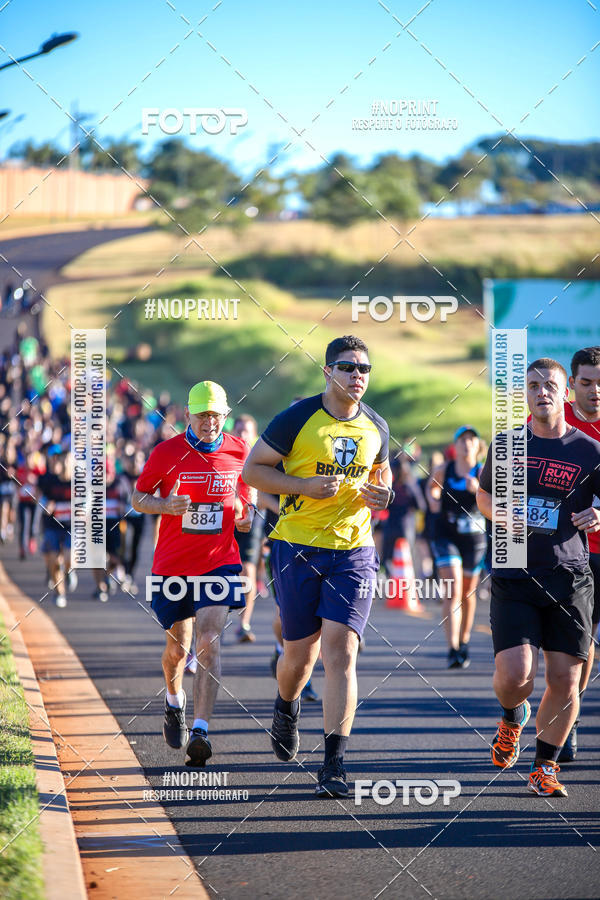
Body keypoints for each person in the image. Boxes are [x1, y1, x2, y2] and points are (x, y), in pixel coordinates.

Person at [243, 335, 391, 798]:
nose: (357, 376)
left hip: (354, 552)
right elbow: (252, 472)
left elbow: (381, 478)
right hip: (297, 546)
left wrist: (383, 495)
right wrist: (302, 485)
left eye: (364, 369)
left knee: (341, 652)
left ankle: (334, 764)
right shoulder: (297, 418)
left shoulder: (376, 426)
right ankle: (286, 704)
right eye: (347, 367)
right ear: (328, 372)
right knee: (299, 656)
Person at [477, 358, 600, 797]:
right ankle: (512, 718)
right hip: (515, 574)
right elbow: (484, 496)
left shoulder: (588, 450)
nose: (541, 391)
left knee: (567, 681)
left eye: (550, 385)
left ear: (564, 394)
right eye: (532, 386)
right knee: (516, 676)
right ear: (524, 395)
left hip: (570, 576)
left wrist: (598, 513)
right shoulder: (508, 444)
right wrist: (501, 515)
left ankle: (544, 767)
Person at [131, 381, 254, 767]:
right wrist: (166, 505)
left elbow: (246, 498)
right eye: (202, 415)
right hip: (172, 566)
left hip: (219, 561)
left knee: (209, 641)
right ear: (188, 415)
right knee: (178, 649)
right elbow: (138, 496)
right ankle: (174, 701)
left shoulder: (239, 450)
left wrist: (246, 514)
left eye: (217, 415)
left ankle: (201, 730)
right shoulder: (166, 453)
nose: (210, 422)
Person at [557, 346, 600, 761]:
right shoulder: (557, 423)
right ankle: (570, 717)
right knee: (580, 645)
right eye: (586, 382)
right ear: (571, 385)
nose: (595, 390)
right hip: (573, 555)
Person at [426, 426, 486, 668]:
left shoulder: (483, 471)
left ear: (477, 445)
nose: (466, 444)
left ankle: (464, 641)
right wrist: (432, 499)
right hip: (446, 534)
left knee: (467, 594)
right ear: (455, 445)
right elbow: (430, 486)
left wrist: (479, 491)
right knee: (452, 590)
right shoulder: (445, 469)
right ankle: (452, 648)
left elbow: (500, 500)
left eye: (471, 439)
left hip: (474, 539)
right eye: (461, 440)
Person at [231, 414, 263, 642]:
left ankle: (244, 623)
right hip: (225, 518)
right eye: (238, 430)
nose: (242, 434)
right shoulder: (225, 453)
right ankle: (217, 616)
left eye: (247, 431)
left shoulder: (262, 455)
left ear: (254, 434)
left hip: (253, 516)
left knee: (248, 571)